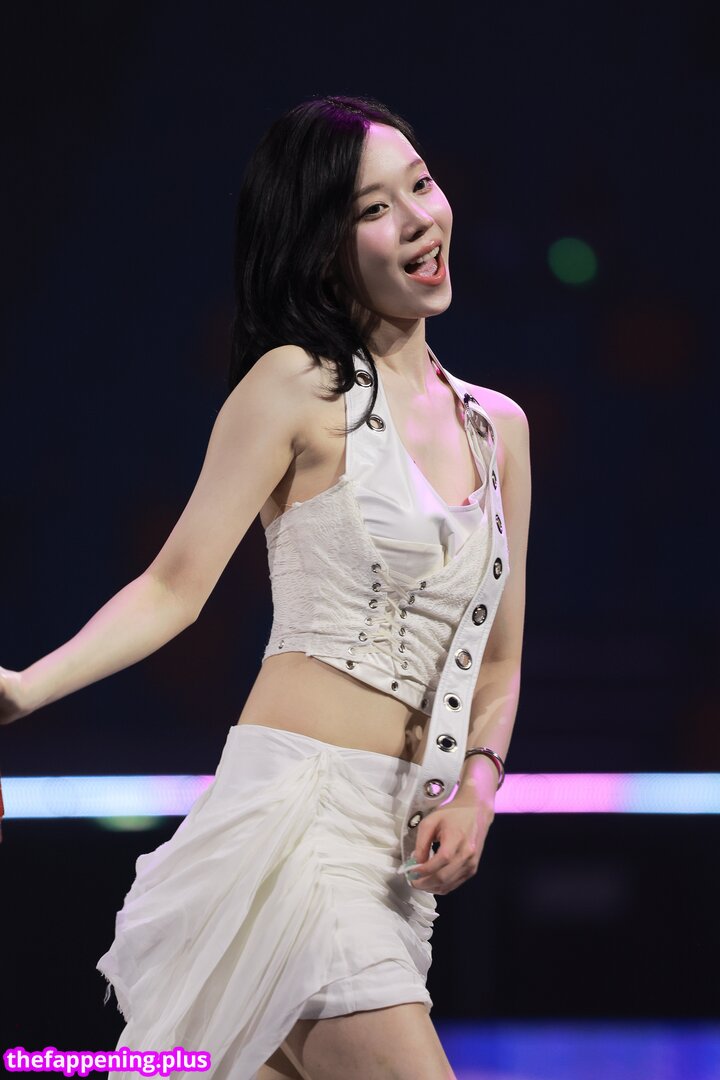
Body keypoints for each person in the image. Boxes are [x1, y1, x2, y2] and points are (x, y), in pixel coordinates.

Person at [0, 95, 531, 1080]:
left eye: (421, 185)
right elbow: (173, 586)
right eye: (374, 208)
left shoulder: (500, 428)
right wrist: (27, 688)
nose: (419, 218)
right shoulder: (297, 385)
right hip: (297, 825)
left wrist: (478, 794)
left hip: (396, 865)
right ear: (324, 249)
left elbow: (499, 662)